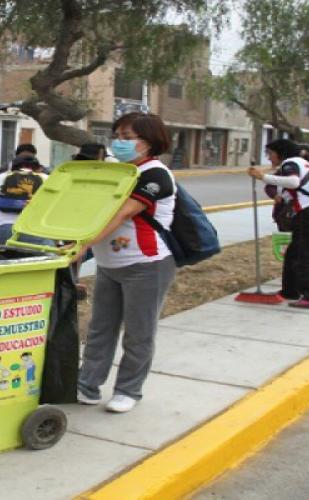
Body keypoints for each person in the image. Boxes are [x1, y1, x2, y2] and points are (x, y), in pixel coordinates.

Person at [74, 112, 177, 413]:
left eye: (127, 138)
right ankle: (87, 385)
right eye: (117, 136)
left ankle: (128, 390)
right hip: (110, 265)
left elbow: (123, 213)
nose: (119, 142)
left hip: (146, 266)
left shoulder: (155, 175)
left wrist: (84, 244)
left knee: (138, 333)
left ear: (149, 141)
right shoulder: (118, 172)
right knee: (100, 329)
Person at [248, 139, 309, 308]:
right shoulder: (301, 162)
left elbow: (294, 182)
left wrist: (263, 177)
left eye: (270, 153)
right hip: (307, 214)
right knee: (293, 254)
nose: (269, 158)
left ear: (280, 152)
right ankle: (290, 291)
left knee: (305, 256)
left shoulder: (291, 162)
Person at [0, 155, 48, 244]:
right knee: (51, 250)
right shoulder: (47, 179)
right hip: (32, 231)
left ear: (12, 168)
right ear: (38, 169)